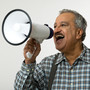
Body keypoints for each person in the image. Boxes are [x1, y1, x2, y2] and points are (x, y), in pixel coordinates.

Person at [14, 9, 90, 90]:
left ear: (78, 33)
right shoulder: (46, 65)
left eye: (63, 25)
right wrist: (29, 62)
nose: (56, 30)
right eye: (55, 26)